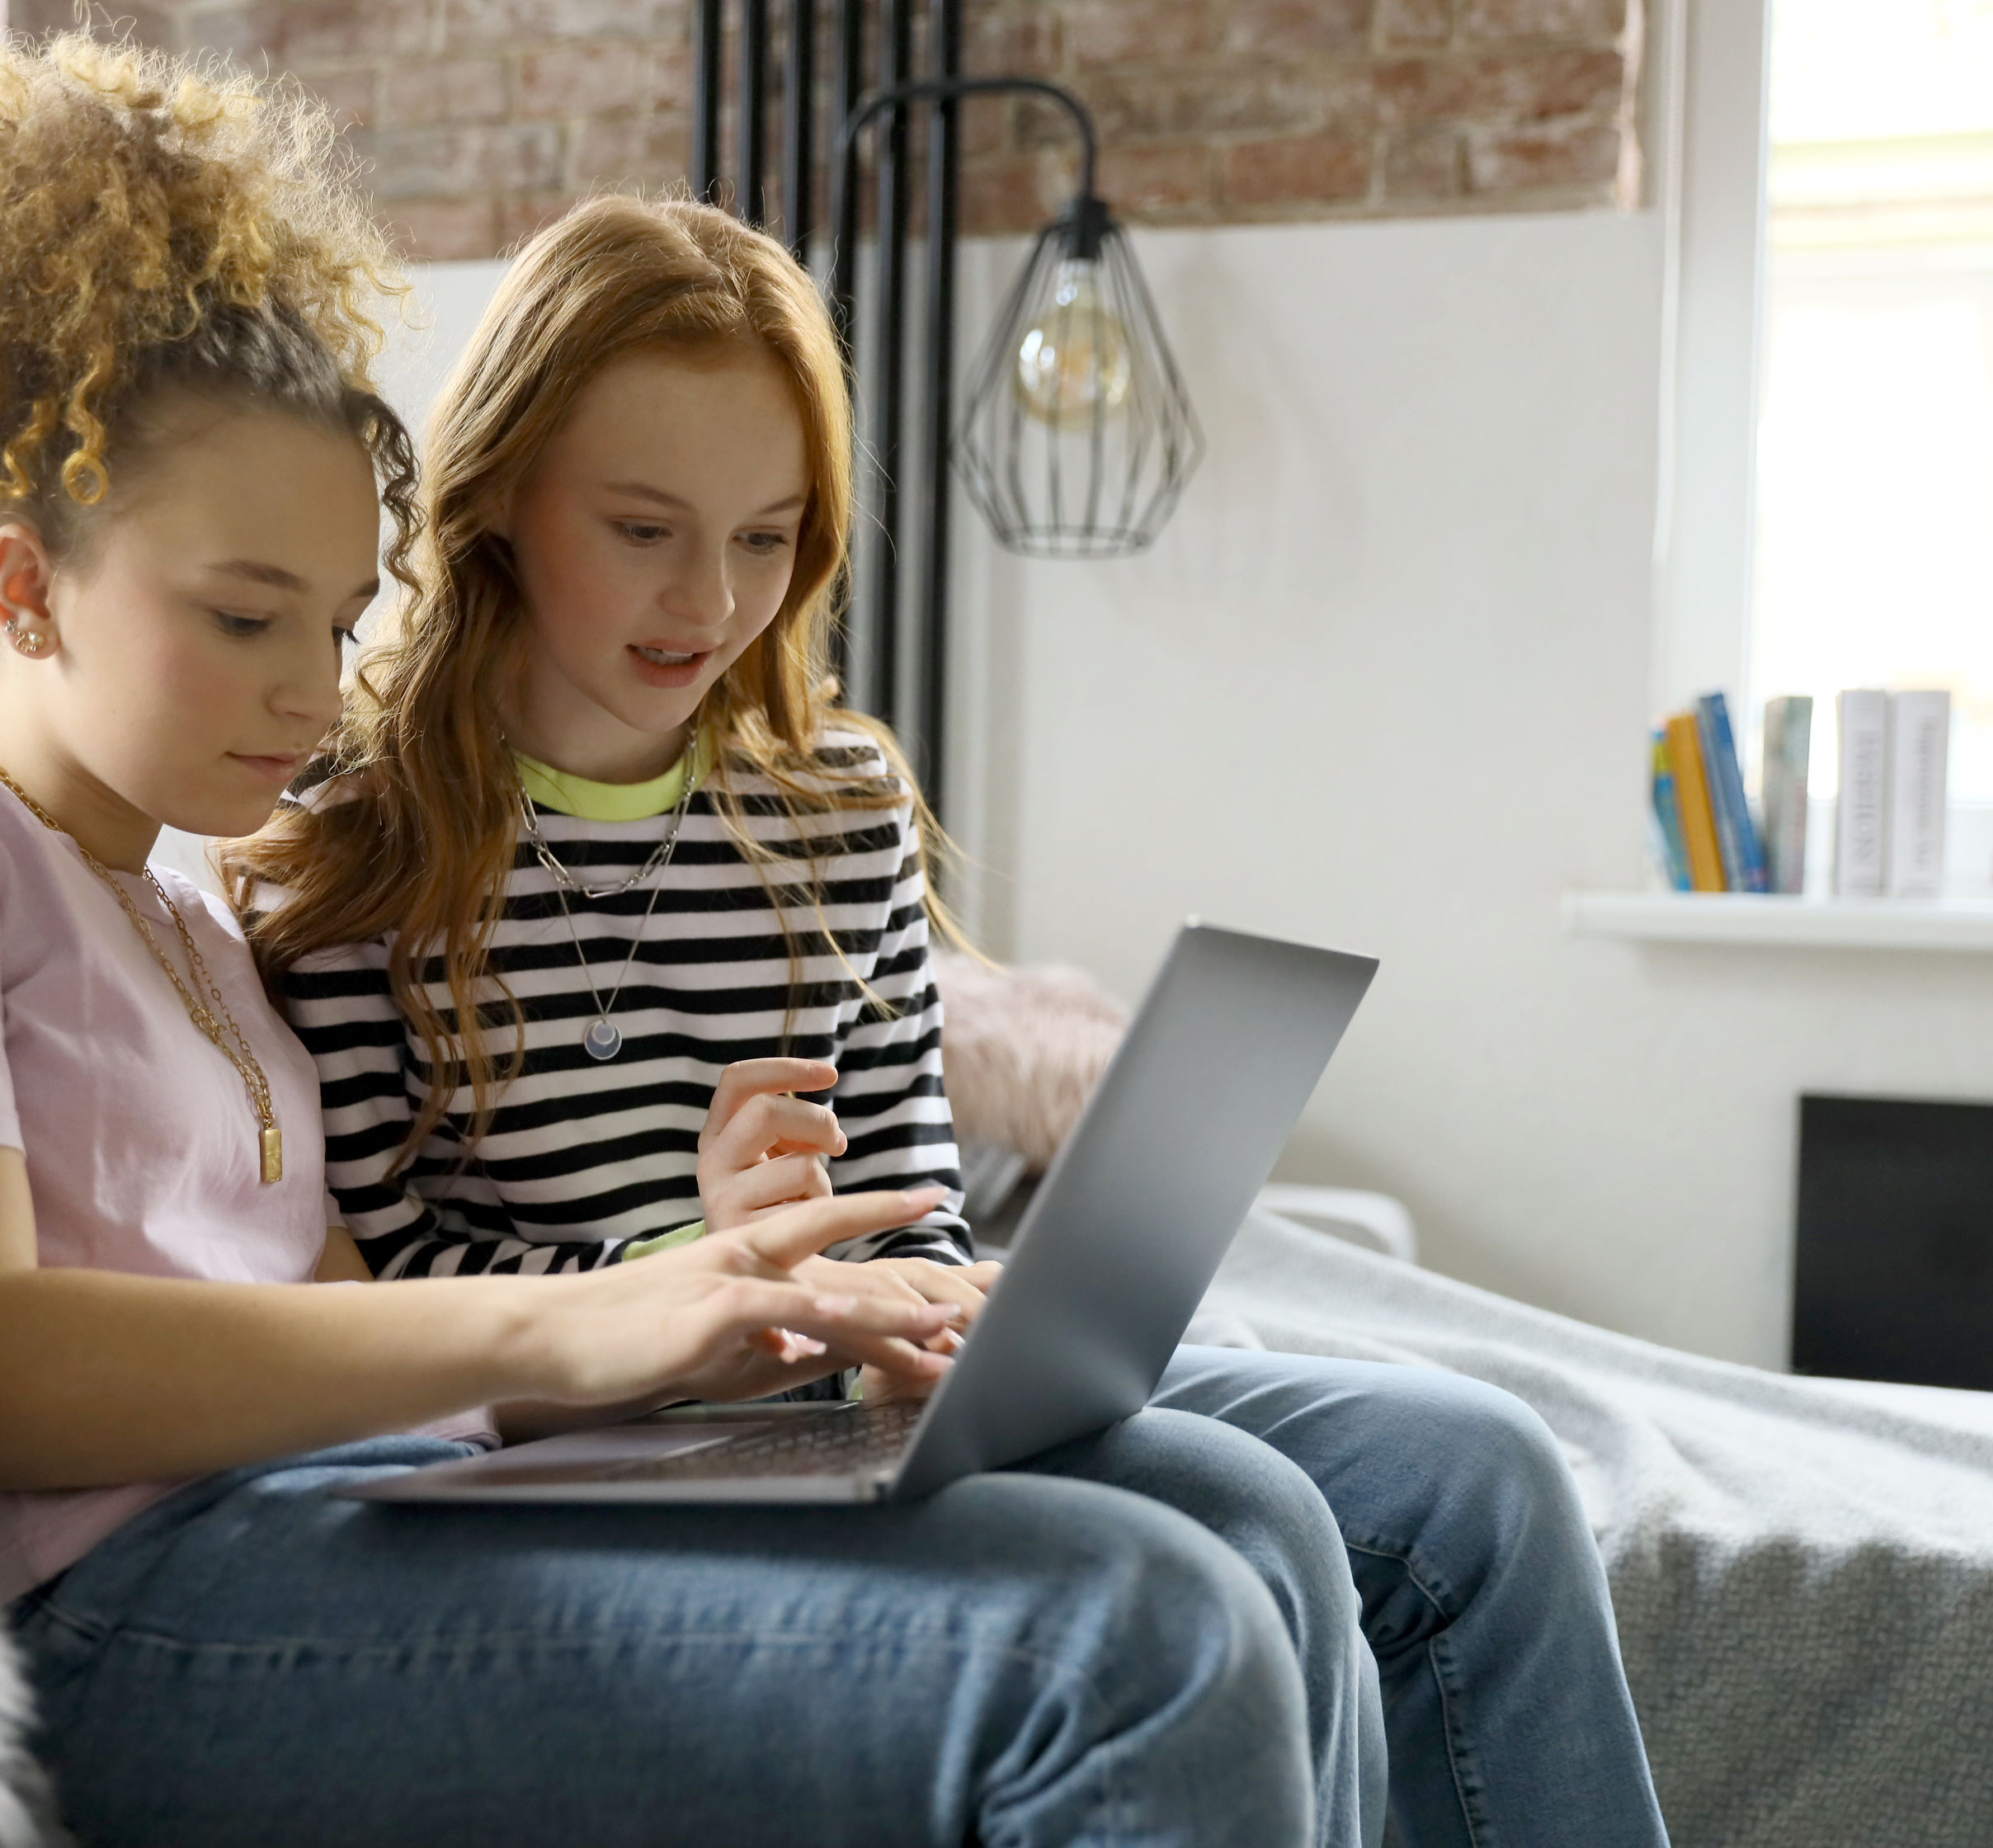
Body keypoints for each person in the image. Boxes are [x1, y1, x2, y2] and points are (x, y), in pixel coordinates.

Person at [0, 32, 1359, 1848]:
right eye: (244, 617)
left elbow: (349, 1331)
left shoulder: (184, 924)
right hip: (109, 1601)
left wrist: (709, 1333)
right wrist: (591, 1318)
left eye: (337, 626)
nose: (309, 692)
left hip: (365, 1508)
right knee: (1142, 1629)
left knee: (1246, 1522)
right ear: (24, 586)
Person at [229, 193, 1672, 1848]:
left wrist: (944, 1304)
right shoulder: (349, 844)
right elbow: (393, 1300)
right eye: (643, 528)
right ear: (498, 493)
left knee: (1489, 1467)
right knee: (1254, 1517)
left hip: (862, 1404)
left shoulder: (835, 806)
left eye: (766, 537)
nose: (709, 599)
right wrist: (712, 1272)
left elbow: (913, 1189)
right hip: (611, 1436)